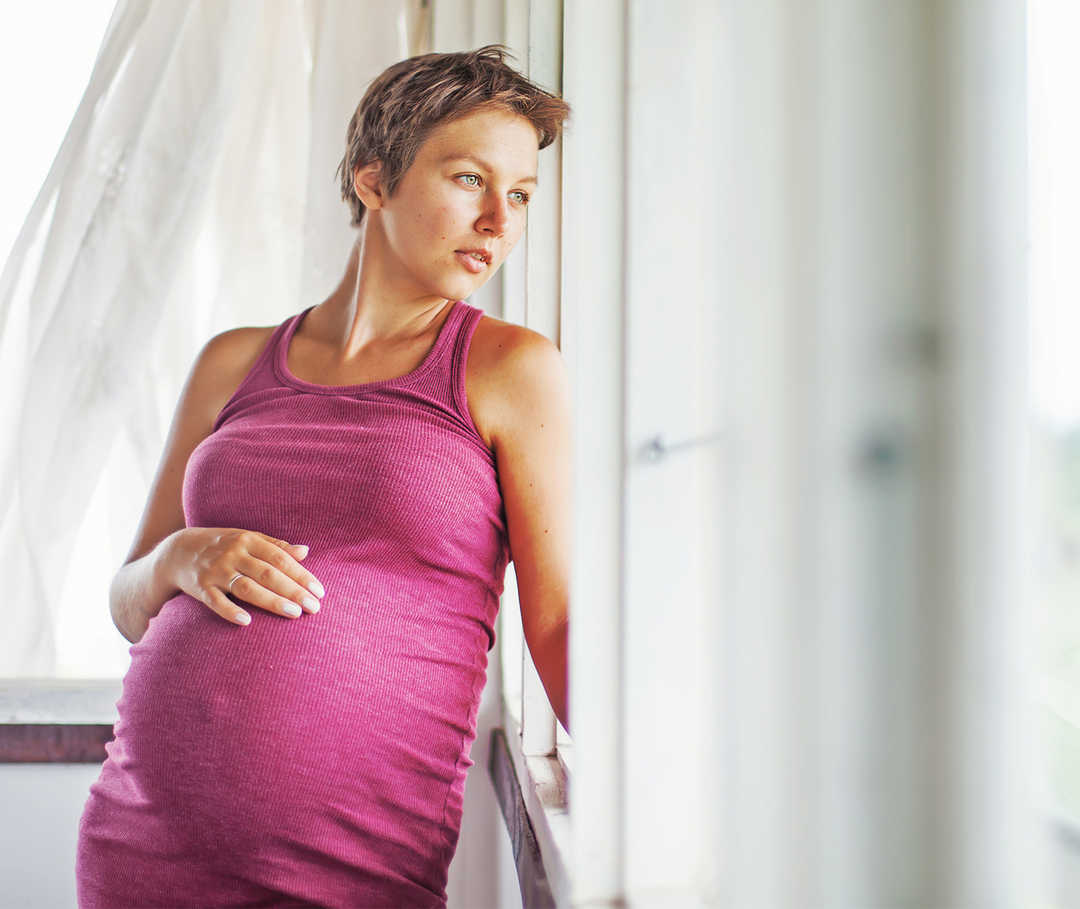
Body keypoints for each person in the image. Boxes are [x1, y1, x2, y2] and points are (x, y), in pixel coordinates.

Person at [75, 44, 572, 908]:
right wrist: (177, 559)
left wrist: (664, 798)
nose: (500, 220)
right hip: (140, 849)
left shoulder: (508, 370)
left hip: (353, 872)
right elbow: (129, 602)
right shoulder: (233, 363)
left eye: (521, 194)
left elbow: (558, 620)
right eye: (468, 179)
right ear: (373, 178)